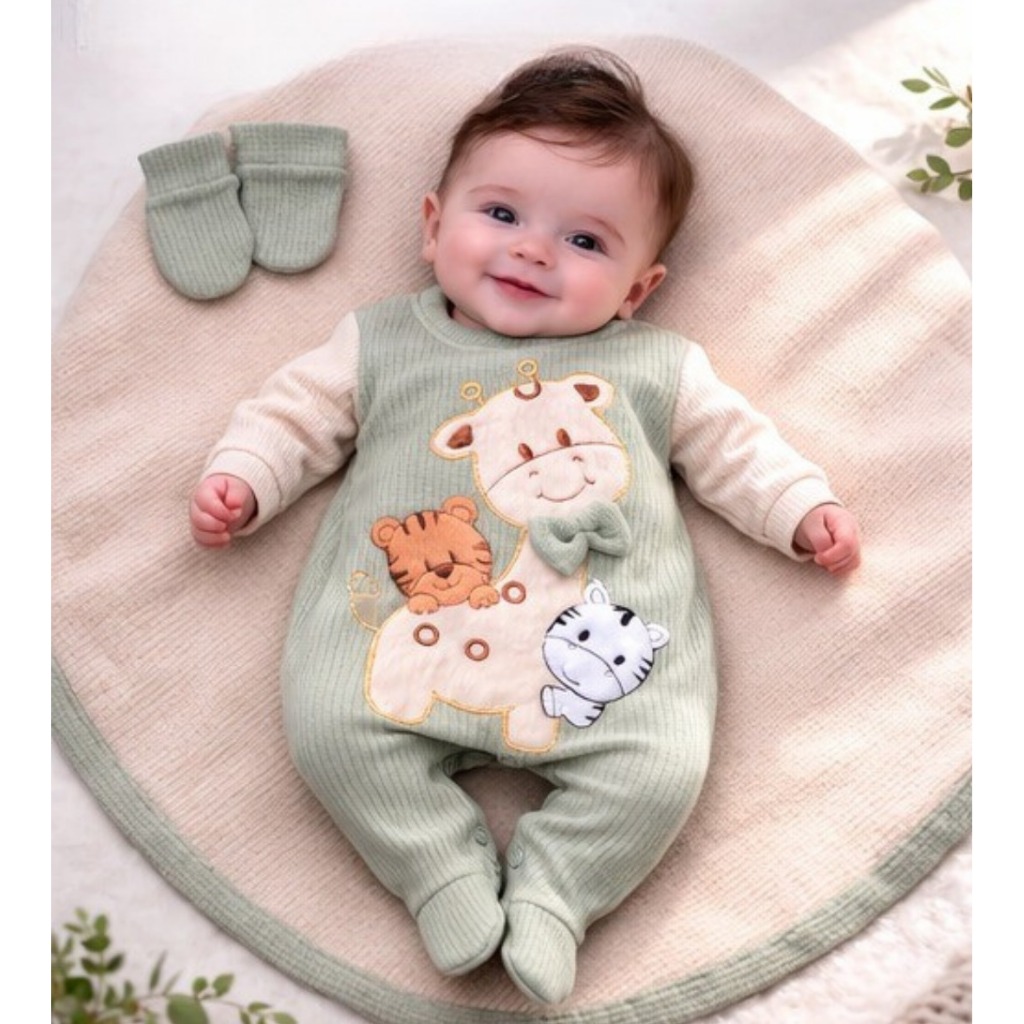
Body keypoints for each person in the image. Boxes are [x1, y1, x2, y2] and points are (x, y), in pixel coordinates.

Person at [189, 48, 861, 1005]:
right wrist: (245, 476)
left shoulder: (654, 367)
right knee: (332, 731)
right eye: (501, 215)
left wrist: (798, 507)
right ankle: (439, 869)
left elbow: (736, 448)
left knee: (661, 769)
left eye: (585, 240)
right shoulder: (382, 342)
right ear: (433, 226)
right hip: (409, 633)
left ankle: (559, 892)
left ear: (637, 289)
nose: (535, 250)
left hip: (594, 657)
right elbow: (292, 413)